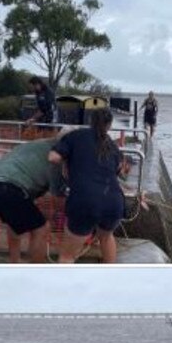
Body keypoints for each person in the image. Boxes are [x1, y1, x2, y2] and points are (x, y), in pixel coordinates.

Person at [48, 109, 125, 263]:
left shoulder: (76, 136)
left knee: (67, 256)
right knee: (106, 237)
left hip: (84, 201)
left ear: (90, 121)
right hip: (114, 201)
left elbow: (53, 157)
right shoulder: (111, 145)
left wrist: (70, 163)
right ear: (109, 125)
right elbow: (119, 170)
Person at [0, 138, 65, 263]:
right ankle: (37, 272)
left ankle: (14, 263)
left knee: (14, 223)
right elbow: (58, 201)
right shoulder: (58, 157)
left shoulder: (34, 144)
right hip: (7, 185)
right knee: (41, 228)